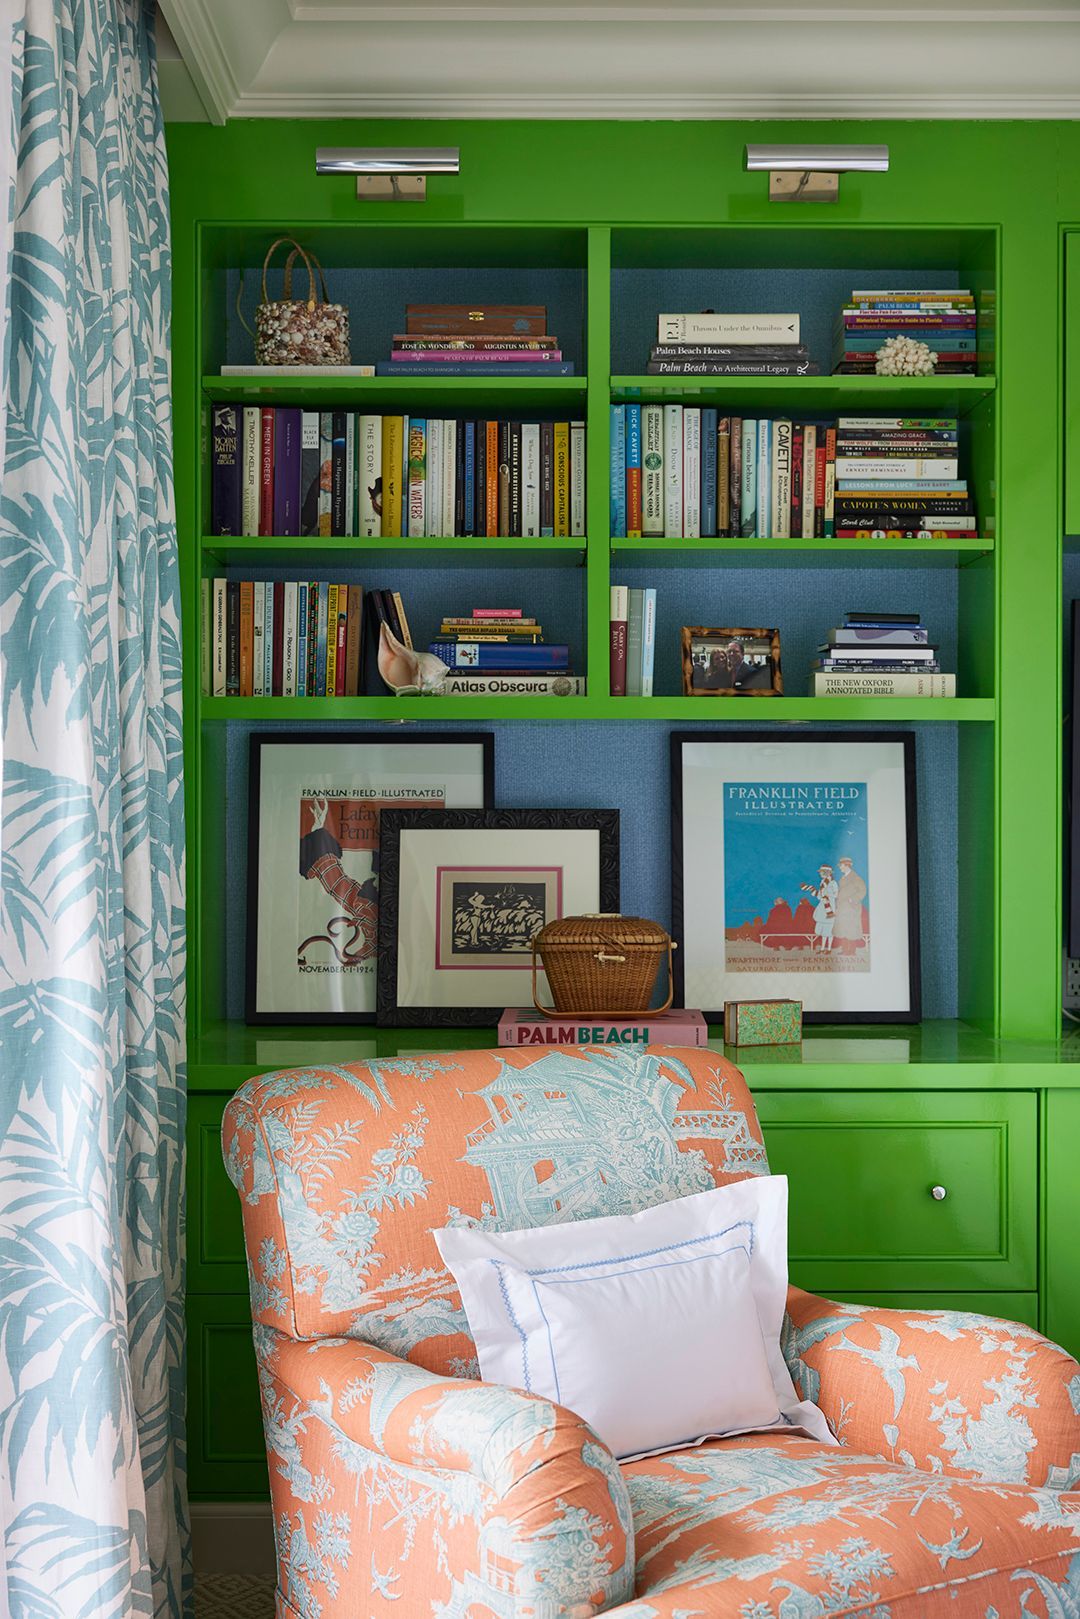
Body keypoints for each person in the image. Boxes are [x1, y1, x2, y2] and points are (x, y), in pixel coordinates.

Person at [833, 855, 868, 957]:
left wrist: (853, 899)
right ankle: (845, 950)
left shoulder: (855, 877)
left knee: (851, 930)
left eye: (841, 866)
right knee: (843, 929)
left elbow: (863, 890)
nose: (840, 868)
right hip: (842, 908)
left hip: (851, 908)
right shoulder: (843, 878)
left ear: (846, 866)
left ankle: (851, 951)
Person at [800, 864, 838, 951]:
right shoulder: (822, 882)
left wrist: (826, 895)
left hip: (829, 908)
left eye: (821, 872)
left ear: (827, 872)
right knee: (823, 930)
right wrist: (811, 889)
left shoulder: (833, 883)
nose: (820, 873)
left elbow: (835, 894)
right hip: (822, 907)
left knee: (829, 930)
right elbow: (819, 896)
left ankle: (828, 949)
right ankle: (822, 948)